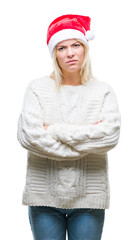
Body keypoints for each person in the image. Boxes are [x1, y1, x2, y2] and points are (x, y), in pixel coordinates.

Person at [17, 14, 121, 240]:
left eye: (76, 45)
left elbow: (110, 137)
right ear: (54, 53)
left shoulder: (103, 91)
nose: (70, 53)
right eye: (61, 48)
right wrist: (88, 137)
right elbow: (29, 137)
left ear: (85, 48)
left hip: (89, 199)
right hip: (43, 198)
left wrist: (53, 130)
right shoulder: (37, 89)